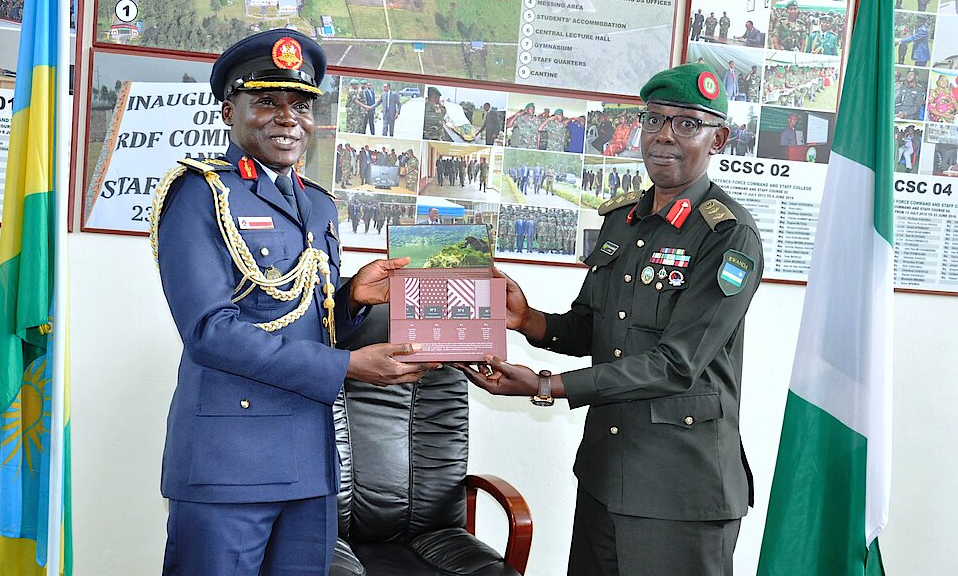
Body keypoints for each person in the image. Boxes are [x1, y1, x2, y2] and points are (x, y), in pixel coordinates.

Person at [457, 63, 762, 576]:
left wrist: (546, 385)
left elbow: (676, 364)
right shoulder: (623, 220)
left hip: (679, 489)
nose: (665, 135)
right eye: (655, 119)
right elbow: (591, 327)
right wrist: (527, 319)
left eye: (687, 123)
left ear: (718, 139)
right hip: (606, 472)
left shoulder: (728, 236)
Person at [150, 29, 437, 575]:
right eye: (267, 102)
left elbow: (300, 315)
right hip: (229, 463)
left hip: (309, 462)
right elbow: (210, 331)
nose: (288, 118)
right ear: (229, 111)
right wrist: (346, 366)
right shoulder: (200, 194)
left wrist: (351, 298)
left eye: (301, 106)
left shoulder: (318, 204)